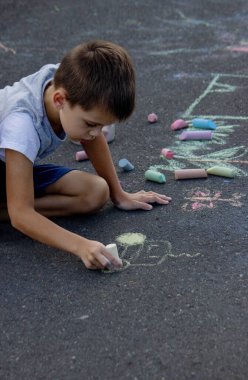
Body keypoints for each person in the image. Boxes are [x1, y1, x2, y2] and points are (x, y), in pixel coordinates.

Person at [0, 40, 171, 270]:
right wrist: (80, 245)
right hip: (10, 161)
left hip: (8, 166)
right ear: (60, 100)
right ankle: (13, 207)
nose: (97, 133)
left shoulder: (69, 82)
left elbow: (91, 136)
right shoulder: (22, 126)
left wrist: (118, 194)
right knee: (21, 213)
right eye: (91, 124)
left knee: (96, 192)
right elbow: (20, 215)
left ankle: (11, 206)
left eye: (101, 126)